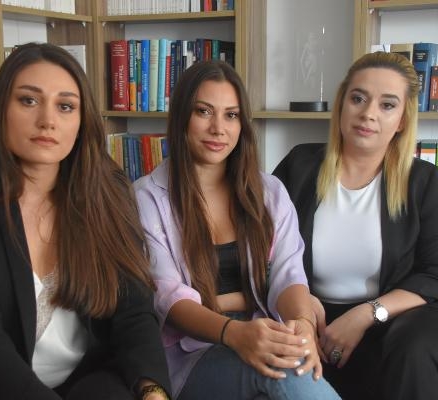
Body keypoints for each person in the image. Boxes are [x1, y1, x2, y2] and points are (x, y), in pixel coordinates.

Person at [0, 42, 171, 400]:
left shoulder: (107, 195)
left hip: (85, 382)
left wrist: (153, 391)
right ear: (1, 110)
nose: (48, 121)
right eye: (28, 100)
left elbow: (133, 312)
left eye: (65, 106)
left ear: (81, 122)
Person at [273, 51, 438, 399]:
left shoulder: (424, 181)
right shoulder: (299, 166)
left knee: (419, 347)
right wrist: (300, 303)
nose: (368, 113)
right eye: (358, 98)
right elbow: (263, 247)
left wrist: (368, 314)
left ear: (402, 120)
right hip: (311, 316)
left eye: (387, 105)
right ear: (342, 105)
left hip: (400, 316)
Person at [134, 60, 340, 400]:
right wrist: (235, 333)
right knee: (284, 370)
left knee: (291, 363)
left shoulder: (269, 192)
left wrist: (303, 324)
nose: (218, 128)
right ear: (182, 117)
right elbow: (168, 299)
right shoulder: (147, 198)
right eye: (203, 111)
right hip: (190, 354)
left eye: (231, 115)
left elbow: (288, 274)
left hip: (263, 331)